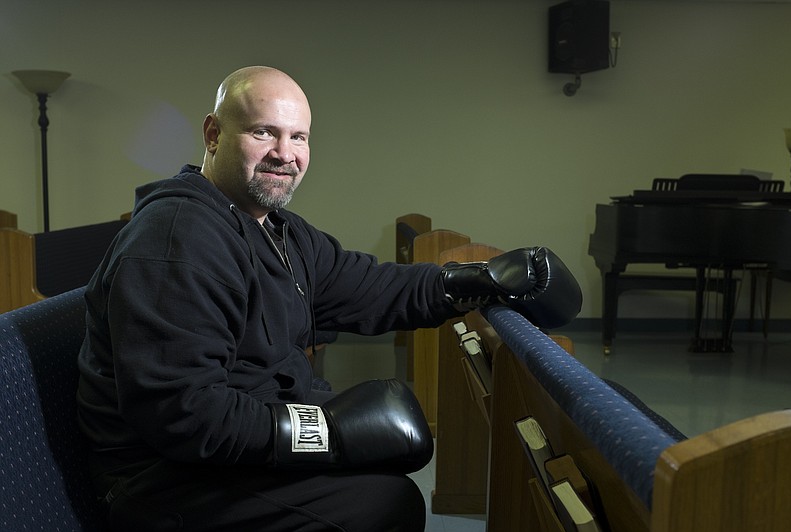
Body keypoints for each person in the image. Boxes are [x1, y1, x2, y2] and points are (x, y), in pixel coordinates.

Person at [77, 66, 582, 532]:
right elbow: (182, 413)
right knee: (386, 504)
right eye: (263, 132)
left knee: (385, 474)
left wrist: (480, 280)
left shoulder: (276, 230)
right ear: (213, 135)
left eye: (298, 137)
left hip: (223, 450)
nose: (285, 153)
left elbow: (371, 287)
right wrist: (328, 430)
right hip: (164, 482)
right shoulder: (177, 241)